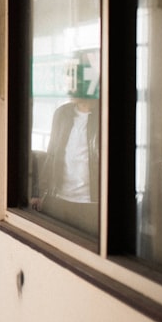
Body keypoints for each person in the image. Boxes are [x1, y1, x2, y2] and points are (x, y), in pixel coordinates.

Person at [32, 96, 99, 235]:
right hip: (59, 198)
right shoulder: (62, 113)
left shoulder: (105, 114)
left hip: (91, 203)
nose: (70, 86)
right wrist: (38, 192)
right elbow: (52, 154)